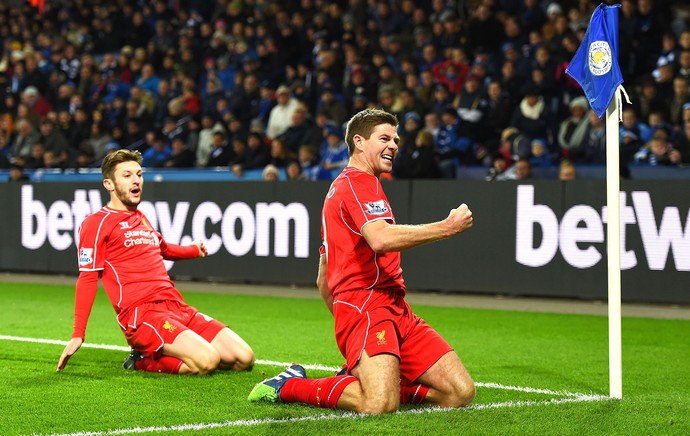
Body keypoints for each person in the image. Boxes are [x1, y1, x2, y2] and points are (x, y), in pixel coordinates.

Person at [248, 108, 475, 414]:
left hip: (395, 308)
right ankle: (287, 385)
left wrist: (345, 320)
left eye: (395, 139)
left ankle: (366, 379)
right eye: (384, 138)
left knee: (459, 393)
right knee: (379, 404)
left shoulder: (349, 187)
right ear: (359, 142)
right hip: (367, 306)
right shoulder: (357, 183)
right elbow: (381, 239)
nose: (394, 145)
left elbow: (322, 278)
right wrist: (448, 228)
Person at [57, 149, 254, 375]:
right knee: (207, 361)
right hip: (142, 315)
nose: (136, 180)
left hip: (176, 306)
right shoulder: (96, 223)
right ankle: (143, 359)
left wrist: (193, 250)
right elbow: (88, 277)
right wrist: (78, 333)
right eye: (127, 175)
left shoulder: (141, 218)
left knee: (243, 358)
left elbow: (164, 249)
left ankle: (167, 349)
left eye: (139, 174)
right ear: (109, 184)